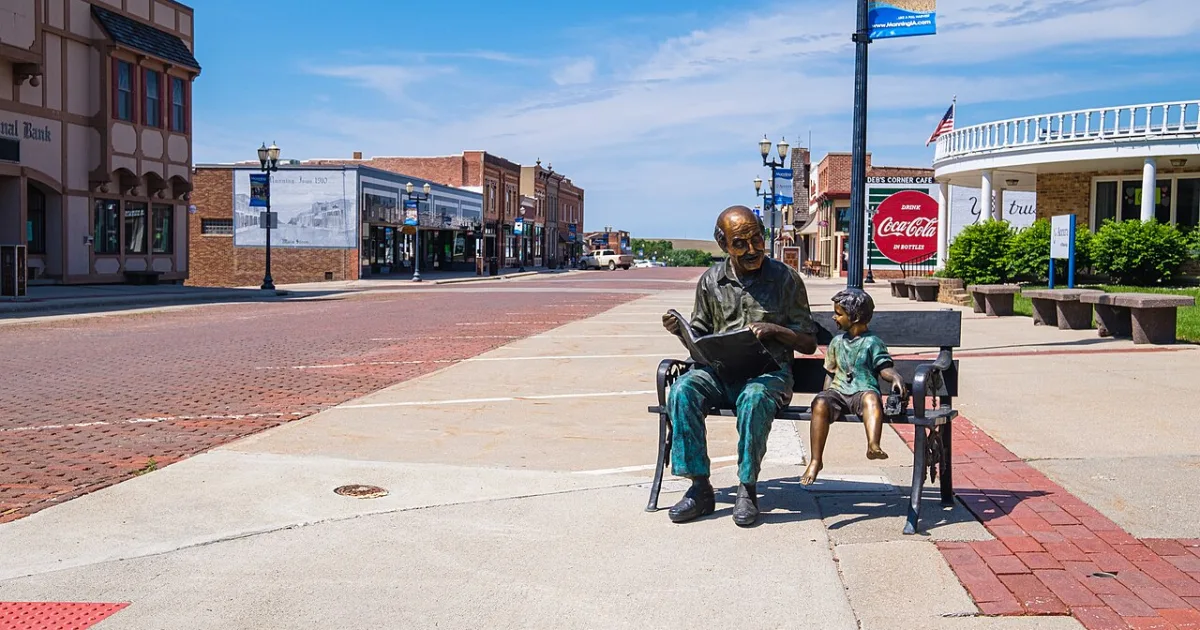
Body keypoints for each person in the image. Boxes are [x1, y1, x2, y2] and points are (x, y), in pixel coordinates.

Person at [662, 205, 818, 527]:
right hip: (721, 373)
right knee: (681, 390)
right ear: (723, 245)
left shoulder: (785, 279)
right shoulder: (710, 282)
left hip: (769, 375)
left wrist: (776, 330)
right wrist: (683, 335)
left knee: (754, 397)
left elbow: (808, 343)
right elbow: (701, 338)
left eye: (757, 239)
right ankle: (699, 488)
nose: (752, 250)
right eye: (740, 244)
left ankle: (747, 488)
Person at [800, 288, 905, 485]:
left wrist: (895, 377)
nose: (834, 317)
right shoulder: (836, 342)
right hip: (838, 393)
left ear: (855, 317)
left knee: (872, 399)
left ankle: (873, 444)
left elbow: (884, 368)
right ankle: (815, 460)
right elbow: (830, 374)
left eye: (839, 314)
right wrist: (823, 395)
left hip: (863, 390)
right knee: (821, 402)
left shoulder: (873, 343)